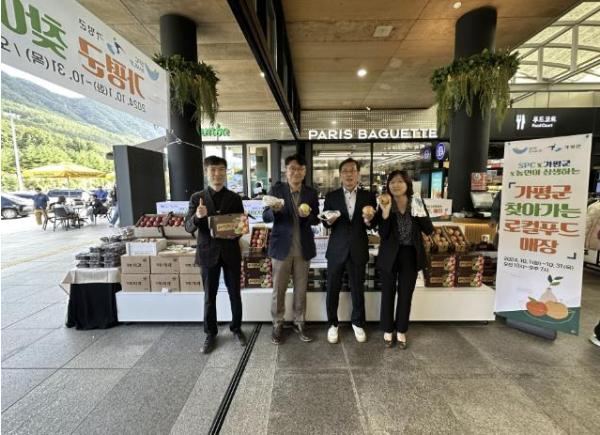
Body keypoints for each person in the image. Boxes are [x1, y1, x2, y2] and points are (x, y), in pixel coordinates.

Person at [185, 156, 247, 354]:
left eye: (221, 169)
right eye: (213, 170)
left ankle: (236, 328)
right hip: (207, 252)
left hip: (230, 252)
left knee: (235, 293)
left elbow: (240, 226)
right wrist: (198, 216)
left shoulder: (235, 198)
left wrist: (237, 228)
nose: (217, 174)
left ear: (225, 172)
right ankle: (210, 333)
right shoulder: (197, 198)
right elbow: (188, 227)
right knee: (209, 296)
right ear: (206, 172)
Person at [263, 153, 319, 344]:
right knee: (278, 289)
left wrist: (307, 216)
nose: (296, 172)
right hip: (281, 248)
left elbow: (316, 219)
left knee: (301, 289)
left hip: (303, 248)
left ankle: (299, 322)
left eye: (300, 169)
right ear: (286, 171)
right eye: (292, 168)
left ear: (305, 172)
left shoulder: (311, 193)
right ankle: (277, 323)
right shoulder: (277, 189)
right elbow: (265, 216)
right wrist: (274, 210)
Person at [377, 170, 434, 348]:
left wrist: (420, 212)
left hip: (410, 254)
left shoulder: (415, 201)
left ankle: (401, 330)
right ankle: (388, 329)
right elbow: (383, 233)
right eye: (392, 182)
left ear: (407, 184)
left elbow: (428, 229)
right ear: (388, 185)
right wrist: (385, 213)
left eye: (400, 181)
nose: (396, 185)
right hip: (389, 255)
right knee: (387, 293)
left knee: (405, 294)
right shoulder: (385, 202)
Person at [322, 158, 377, 344]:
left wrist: (369, 219)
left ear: (358, 174)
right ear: (340, 175)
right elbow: (325, 222)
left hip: (358, 248)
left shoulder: (368, 196)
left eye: (352, 170)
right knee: (332, 288)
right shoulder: (332, 196)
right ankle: (332, 323)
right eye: (345, 171)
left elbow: (372, 223)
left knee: (357, 289)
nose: (349, 174)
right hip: (336, 249)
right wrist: (329, 221)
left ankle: (358, 322)